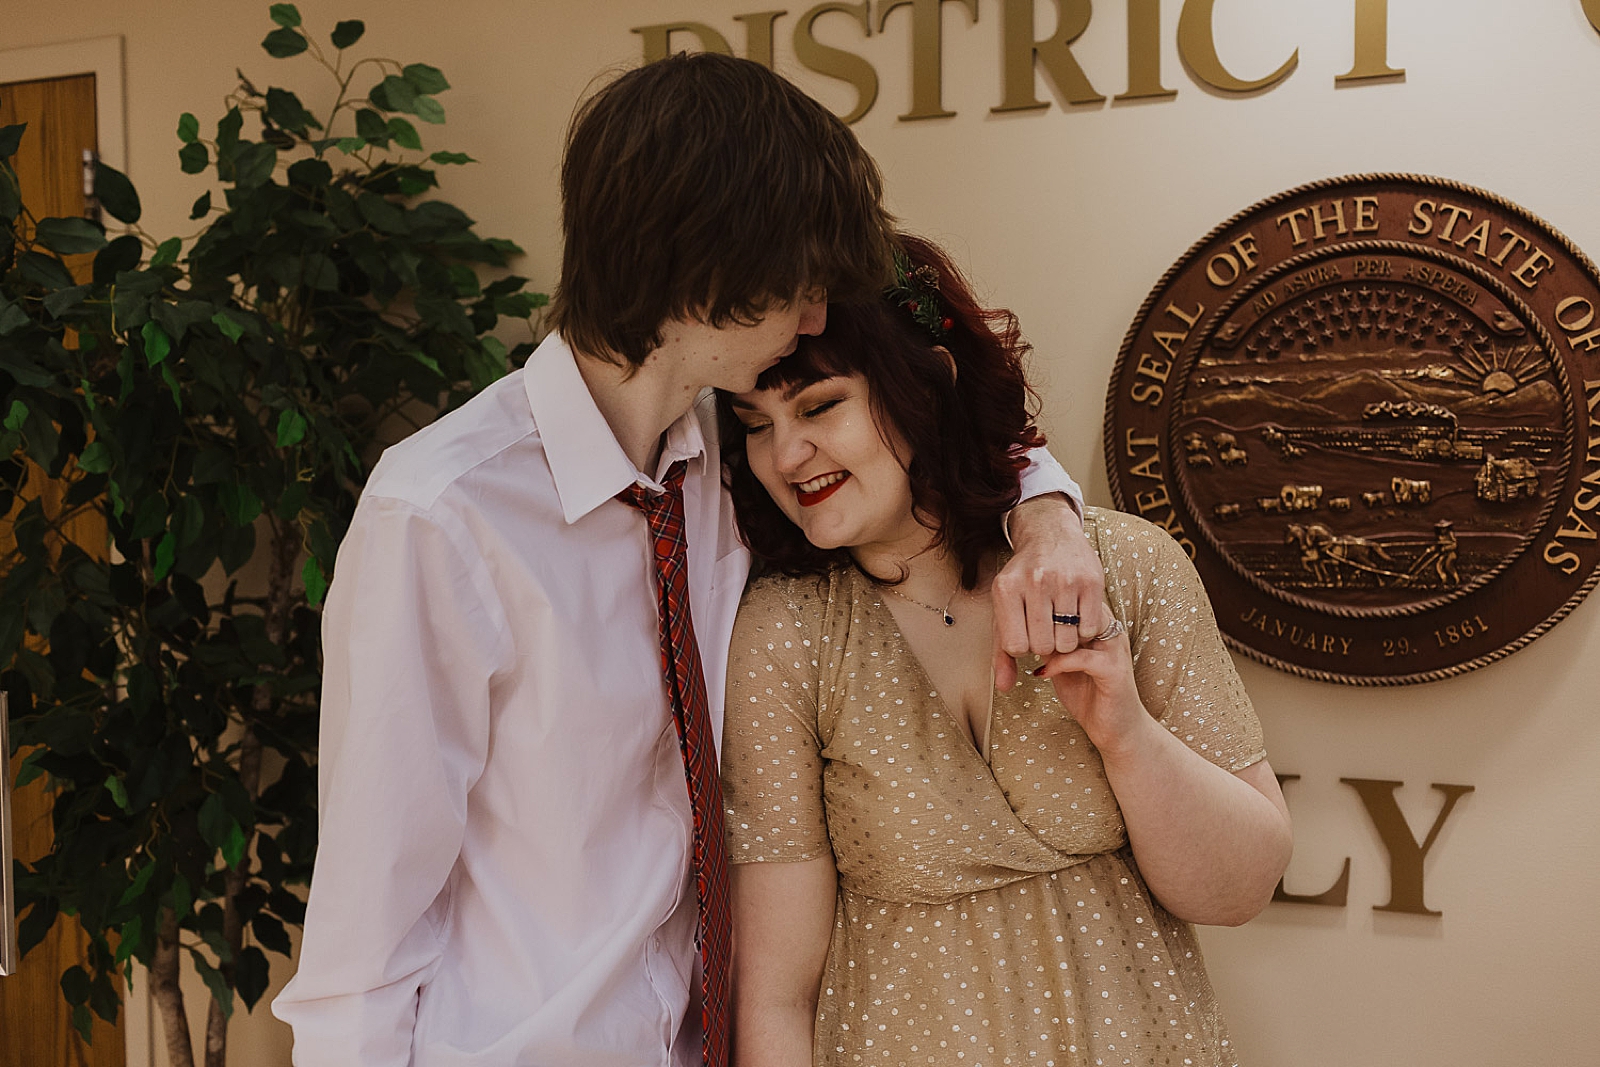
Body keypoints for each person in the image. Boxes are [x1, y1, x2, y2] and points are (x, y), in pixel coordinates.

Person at [272, 57, 1105, 1065]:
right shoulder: (441, 517)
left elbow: (944, 430)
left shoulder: (734, 458)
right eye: (796, 287)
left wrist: (1048, 517)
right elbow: (364, 934)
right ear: (703, 273)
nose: (810, 321)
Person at [718, 233, 1294, 1065]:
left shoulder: (1121, 568)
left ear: (929, 389)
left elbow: (1243, 888)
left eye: (818, 407)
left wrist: (1125, 733)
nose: (784, 455)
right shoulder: (788, 633)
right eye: (754, 425)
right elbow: (776, 993)